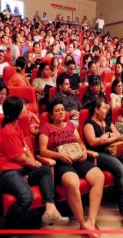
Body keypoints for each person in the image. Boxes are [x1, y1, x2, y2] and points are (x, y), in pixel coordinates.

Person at [0, 97, 68, 228]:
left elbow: (25, 146)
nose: (26, 109)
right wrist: (33, 164)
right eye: (23, 107)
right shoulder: (8, 130)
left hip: (20, 169)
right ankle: (4, 228)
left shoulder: (17, 126)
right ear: (17, 112)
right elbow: (20, 158)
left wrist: (33, 162)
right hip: (6, 173)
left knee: (45, 170)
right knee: (27, 197)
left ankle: (49, 207)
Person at [39, 98, 104, 237]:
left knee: (99, 177)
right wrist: (59, 156)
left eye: (62, 109)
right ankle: (82, 225)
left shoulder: (70, 125)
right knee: (73, 183)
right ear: (51, 115)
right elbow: (43, 150)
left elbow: (80, 142)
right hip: (61, 162)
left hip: (77, 159)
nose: (61, 112)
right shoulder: (46, 128)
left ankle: (91, 222)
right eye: (57, 111)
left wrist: (84, 151)